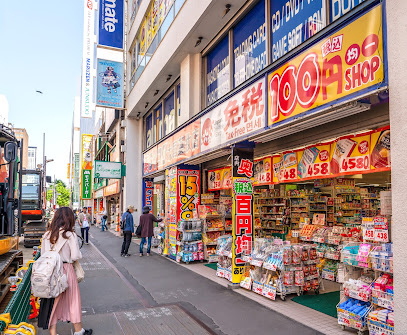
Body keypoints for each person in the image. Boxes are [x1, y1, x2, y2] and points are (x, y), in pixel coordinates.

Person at [37, 207, 92, 335]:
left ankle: (53, 333)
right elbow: (75, 256)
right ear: (69, 219)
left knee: (53, 302)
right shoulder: (70, 235)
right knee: (73, 300)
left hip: (51, 271)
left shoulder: (47, 235)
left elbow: (43, 255)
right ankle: (79, 331)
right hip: (66, 270)